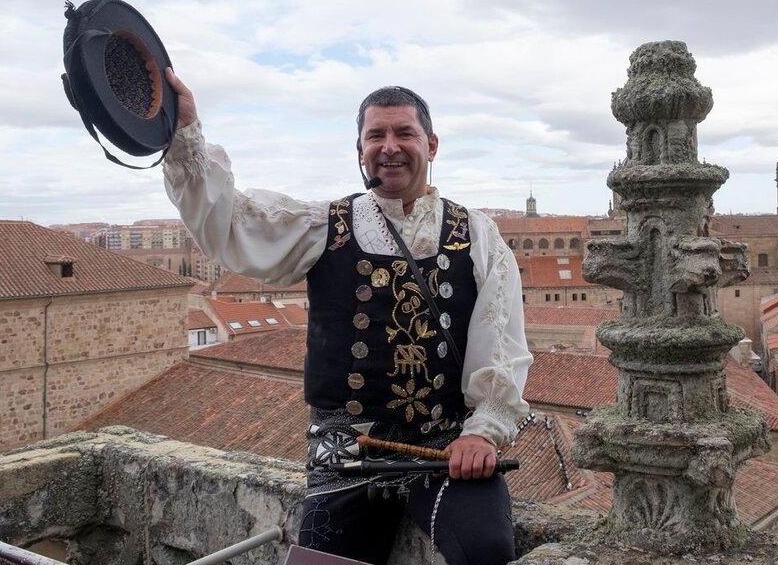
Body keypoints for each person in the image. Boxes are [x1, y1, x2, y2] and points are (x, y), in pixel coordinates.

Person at [160, 68, 533, 565]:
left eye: (404, 132)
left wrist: (482, 431)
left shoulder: (478, 234)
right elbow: (231, 224)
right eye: (375, 135)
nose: (389, 146)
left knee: (486, 550)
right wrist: (185, 133)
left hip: (445, 447)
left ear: (432, 144)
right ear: (360, 150)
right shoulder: (324, 226)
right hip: (346, 449)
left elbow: (501, 338)